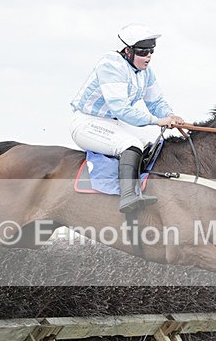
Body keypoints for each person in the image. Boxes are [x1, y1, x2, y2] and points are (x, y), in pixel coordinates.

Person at [70, 23, 185, 213]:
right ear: (127, 51)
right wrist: (157, 121)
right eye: (143, 52)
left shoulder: (145, 72)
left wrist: (170, 115)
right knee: (131, 144)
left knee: (152, 142)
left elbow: (156, 102)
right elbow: (121, 109)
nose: (148, 56)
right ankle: (128, 197)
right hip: (86, 123)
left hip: (111, 123)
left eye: (151, 51)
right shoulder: (111, 65)